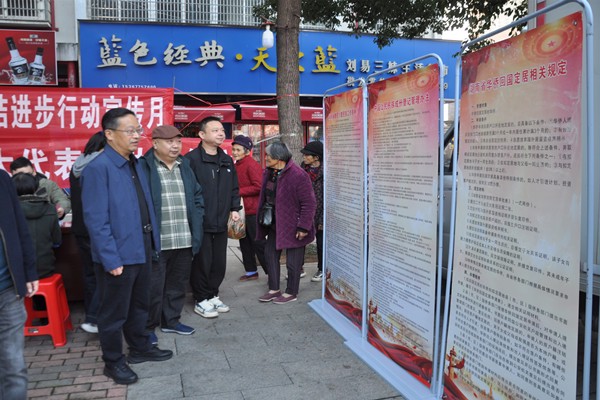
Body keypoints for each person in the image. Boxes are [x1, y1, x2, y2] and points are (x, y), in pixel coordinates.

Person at [81, 108, 172, 385]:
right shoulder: (98, 168)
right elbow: (96, 220)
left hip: (142, 247)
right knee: (113, 313)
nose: (136, 135)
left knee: (139, 305)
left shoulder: (135, 164)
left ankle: (140, 348)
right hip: (118, 254)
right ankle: (113, 362)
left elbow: (145, 206)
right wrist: (110, 259)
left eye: (138, 130)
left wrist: (154, 243)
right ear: (109, 134)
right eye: (130, 131)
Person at [139, 125, 204, 343]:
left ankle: (171, 321)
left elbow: (197, 195)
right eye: (169, 142)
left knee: (177, 285)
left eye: (178, 141)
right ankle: (147, 327)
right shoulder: (143, 167)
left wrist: (198, 218)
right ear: (155, 143)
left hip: (184, 238)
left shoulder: (184, 166)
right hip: (157, 240)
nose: (175, 146)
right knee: (153, 287)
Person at [185, 116, 241, 318]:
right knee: (202, 262)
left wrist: (234, 208)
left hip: (221, 221)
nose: (220, 133)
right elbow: (188, 192)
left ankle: (212, 294)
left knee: (219, 262)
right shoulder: (191, 160)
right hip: (201, 222)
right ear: (202, 134)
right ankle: (201, 299)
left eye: (222, 130)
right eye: (215, 130)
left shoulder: (226, 160)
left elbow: (234, 187)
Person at [257, 142, 316, 304]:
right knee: (270, 255)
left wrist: (303, 226)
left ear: (278, 158)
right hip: (274, 224)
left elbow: (309, 203)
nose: (266, 158)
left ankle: (291, 292)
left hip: (294, 225)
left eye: (268, 156)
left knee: (293, 262)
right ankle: (274, 289)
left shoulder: (298, 175)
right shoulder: (269, 172)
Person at [0, 169, 38, 400]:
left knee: (14, 366)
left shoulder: (2, 179)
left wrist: (29, 271)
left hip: (8, 288)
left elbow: (19, 225)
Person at [69, 131, 106, 334]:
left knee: (90, 274)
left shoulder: (78, 165)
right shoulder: (98, 166)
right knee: (104, 272)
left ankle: (92, 316)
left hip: (80, 228)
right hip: (96, 228)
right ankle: (97, 318)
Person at [231, 135, 267, 281]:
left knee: (258, 243)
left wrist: (238, 191)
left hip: (252, 210)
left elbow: (259, 186)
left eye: (238, 150)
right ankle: (251, 271)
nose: (235, 152)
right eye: (233, 149)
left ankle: (272, 273)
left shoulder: (251, 164)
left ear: (247, 151)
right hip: (242, 210)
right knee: (244, 242)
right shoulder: (237, 164)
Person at [12, 173, 62, 280]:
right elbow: (57, 241)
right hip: (46, 269)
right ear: (35, 187)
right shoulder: (50, 208)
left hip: (16, 272)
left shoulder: (8, 210)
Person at [300, 141, 324, 282]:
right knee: (300, 240)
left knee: (321, 243)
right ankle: (298, 267)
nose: (304, 157)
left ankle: (321, 268)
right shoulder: (302, 169)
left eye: (307, 155)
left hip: (321, 212)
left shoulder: (326, 171)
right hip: (305, 212)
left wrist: (322, 219)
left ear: (316, 157)